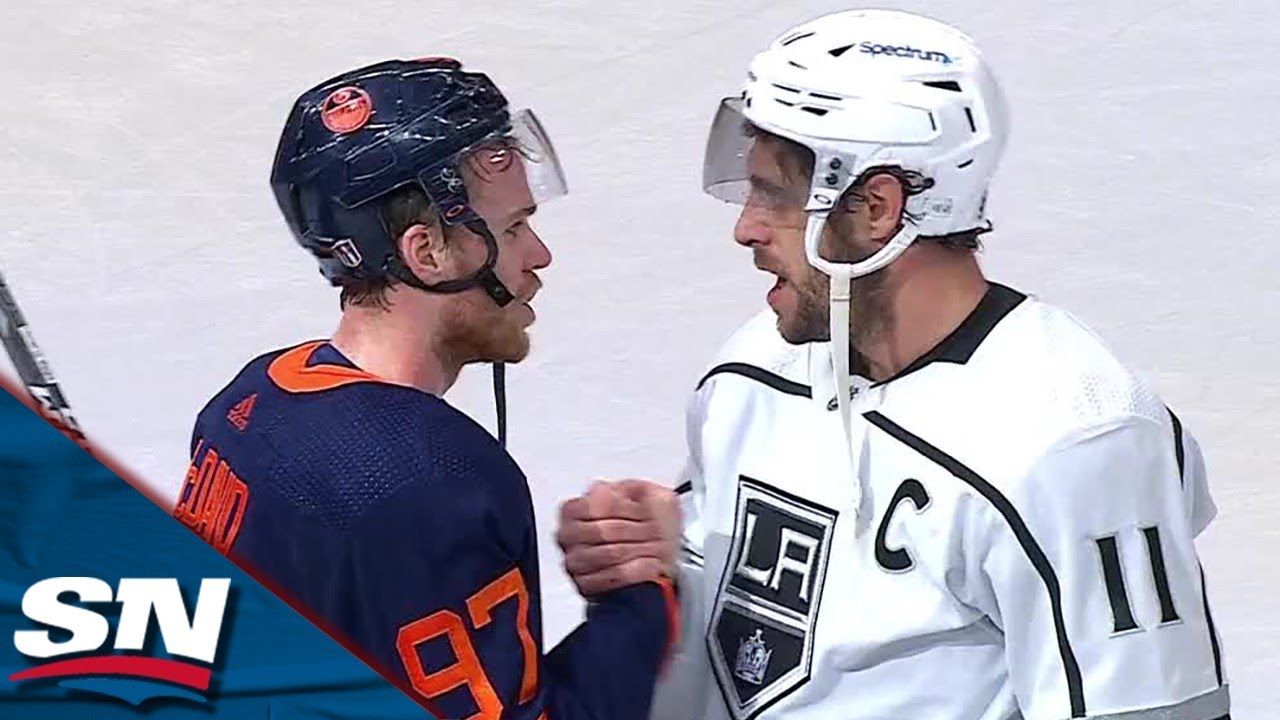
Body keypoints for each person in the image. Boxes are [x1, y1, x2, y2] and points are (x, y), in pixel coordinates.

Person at [558, 10, 1228, 720]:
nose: (745, 226)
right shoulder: (753, 368)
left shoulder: (1074, 440)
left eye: (774, 194)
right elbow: (752, 650)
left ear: (878, 208)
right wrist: (657, 563)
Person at [173, 57, 680, 720]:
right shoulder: (433, 483)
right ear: (427, 254)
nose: (539, 255)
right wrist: (645, 598)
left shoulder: (243, 407)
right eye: (513, 229)